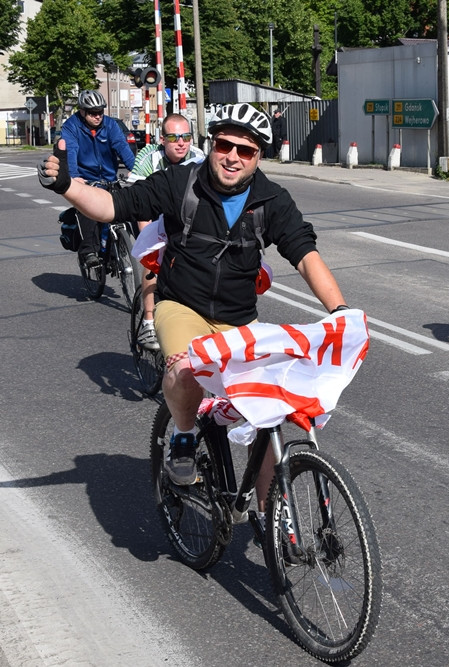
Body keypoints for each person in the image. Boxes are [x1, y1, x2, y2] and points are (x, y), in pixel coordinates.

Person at [39, 103, 348, 509]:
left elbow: (305, 255)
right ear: (212, 144)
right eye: (225, 145)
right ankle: (183, 436)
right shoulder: (182, 183)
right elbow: (115, 206)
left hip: (238, 319)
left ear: (258, 158)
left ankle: (277, 518)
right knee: (186, 367)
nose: (233, 157)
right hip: (181, 306)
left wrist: (340, 311)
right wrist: (66, 185)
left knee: (268, 415)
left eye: (246, 150)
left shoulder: (272, 200)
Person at [127, 113, 206, 351]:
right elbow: (140, 206)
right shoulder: (148, 158)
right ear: (163, 139)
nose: (181, 142)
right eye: (173, 137)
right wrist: (150, 239)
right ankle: (149, 321)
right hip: (152, 215)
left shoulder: (199, 158)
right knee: (155, 260)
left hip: (184, 215)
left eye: (186, 136)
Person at [59, 90, 136, 268]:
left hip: (108, 177)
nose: (98, 116)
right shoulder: (72, 126)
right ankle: (89, 253)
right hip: (86, 179)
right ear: (82, 111)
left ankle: (115, 249)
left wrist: (136, 169)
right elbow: (71, 151)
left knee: (120, 211)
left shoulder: (110, 125)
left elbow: (122, 148)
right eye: (93, 113)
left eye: (100, 112)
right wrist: (75, 177)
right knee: (88, 212)